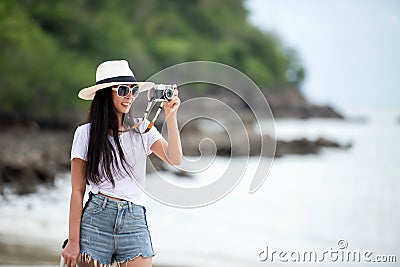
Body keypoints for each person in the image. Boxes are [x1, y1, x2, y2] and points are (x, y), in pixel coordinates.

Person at [61, 60, 182, 267]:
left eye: (134, 90)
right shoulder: (85, 134)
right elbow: (77, 191)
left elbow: (175, 159)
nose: (130, 96)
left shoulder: (142, 129)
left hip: (133, 221)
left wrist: (171, 116)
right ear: (106, 93)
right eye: (123, 90)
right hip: (96, 219)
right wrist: (73, 242)